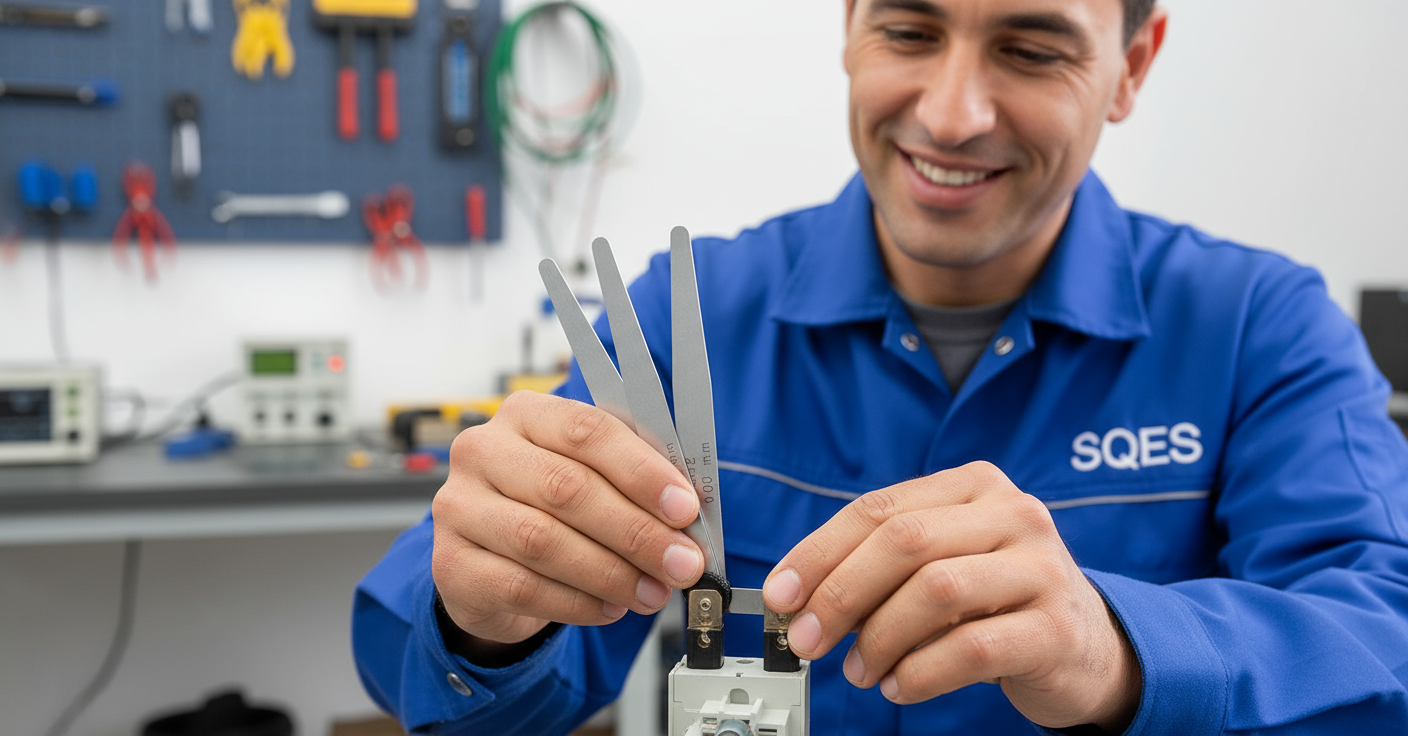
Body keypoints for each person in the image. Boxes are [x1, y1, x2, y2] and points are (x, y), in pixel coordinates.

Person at [352, 0, 1408, 733]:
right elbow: (472, 688)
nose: (951, 114)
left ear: (1131, 65)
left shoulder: (1255, 324)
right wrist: (480, 620)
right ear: (849, 30)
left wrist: (1116, 646)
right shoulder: (691, 318)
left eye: (1032, 49)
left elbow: (1384, 644)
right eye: (908, 29)